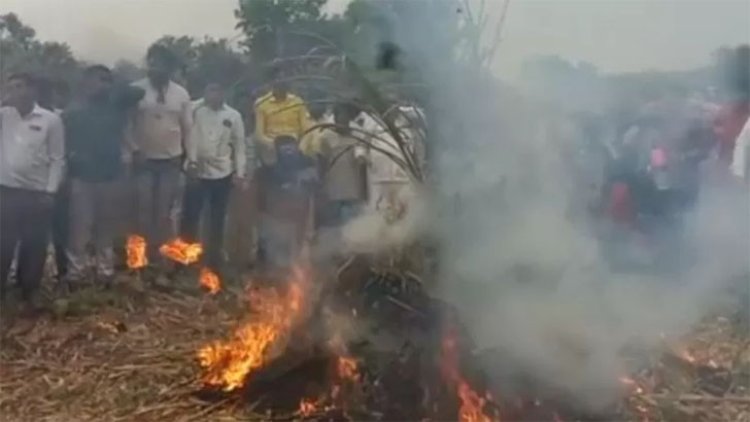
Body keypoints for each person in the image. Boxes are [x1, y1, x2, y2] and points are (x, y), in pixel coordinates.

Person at [62, 65, 145, 288]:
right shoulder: (73, 111)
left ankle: (105, 272)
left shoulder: (115, 106)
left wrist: (112, 86)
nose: (104, 85)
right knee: (80, 229)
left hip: (110, 175)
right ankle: (76, 274)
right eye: (100, 80)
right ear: (87, 82)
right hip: (82, 177)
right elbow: (63, 143)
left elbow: (138, 93)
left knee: (106, 228)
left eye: (108, 81)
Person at [0, 73, 65, 307]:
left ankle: (29, 289)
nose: (16, 91)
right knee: (3, 243)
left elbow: (57, 158)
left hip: (37, 193)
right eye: (12, 87)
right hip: (6, 190)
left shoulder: (50, 120)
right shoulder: (4, 115)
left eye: (20, 87)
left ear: (32, 90)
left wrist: (50, 191)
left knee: (34, 243)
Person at [129, 44, 192, 266]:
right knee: (142, 210)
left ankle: (162, 257)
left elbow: (188, 128)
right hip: (143, 161)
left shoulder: (181, 93)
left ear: (170, 68)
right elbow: (126, 125)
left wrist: (187, 157)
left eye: (162, 63)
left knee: (164, 212)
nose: (157, 67)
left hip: (171, 161)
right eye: (153, 62)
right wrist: (134, 150)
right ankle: (138, 259)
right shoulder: (135, 90)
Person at [181, 82, 246, 274]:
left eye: (220, 90)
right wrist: (190, 161)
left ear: (225, 93)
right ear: (205, 92)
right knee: (190, 216)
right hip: (196, 170)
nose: (216, 94)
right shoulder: (193, 109)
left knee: (217, 218)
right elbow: (185, 134)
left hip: (222, 172)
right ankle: (187, 258)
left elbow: (240, 147)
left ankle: (214, 259)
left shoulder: (233, 116)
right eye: (212, 90)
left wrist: (239, 173)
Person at [318, 103, 366, 226]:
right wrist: (321, 184)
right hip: (333, 188)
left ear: (349, 119)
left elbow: (362, 163)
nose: (342, 121)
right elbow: (322, 160)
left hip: (354, 188)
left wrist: (364, 189)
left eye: (345, 118)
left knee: (352, 224)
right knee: (334, 224)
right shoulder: (326, 136)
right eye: (339, 118)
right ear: (334, 118)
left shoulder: (358, 135)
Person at [253, 75, 313, 166]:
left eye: (283, 82)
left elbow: (307, 130)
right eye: (277, 82)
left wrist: (301, 147)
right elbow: (259, 134)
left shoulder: (297, 102)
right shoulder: (262, 104)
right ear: (272, 84)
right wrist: (273, 145)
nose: (280, 84)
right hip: (272, 146)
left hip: (294, 145)